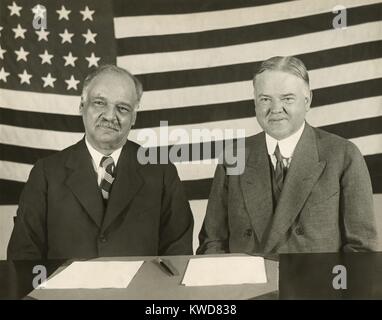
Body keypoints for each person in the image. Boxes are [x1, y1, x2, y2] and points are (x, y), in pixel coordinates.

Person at [8, 64, 194, 260]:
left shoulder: (161, 172)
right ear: (82, 105)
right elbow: (23, 255)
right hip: (65, 291)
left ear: (134, 117)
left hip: (139, 291)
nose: (110, 116)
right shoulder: (46, 173)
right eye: (99, 103)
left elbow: (178, 256)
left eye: (122, 108)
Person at [197, 56, 378, 254]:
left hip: (317, 283)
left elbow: (362, 251)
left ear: (307, 101)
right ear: (255, 103)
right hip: (249, 284)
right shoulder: (233, 156)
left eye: (287, 99)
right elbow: (212, 242)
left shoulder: (343, 155)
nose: (275, 109)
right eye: (265, 99)